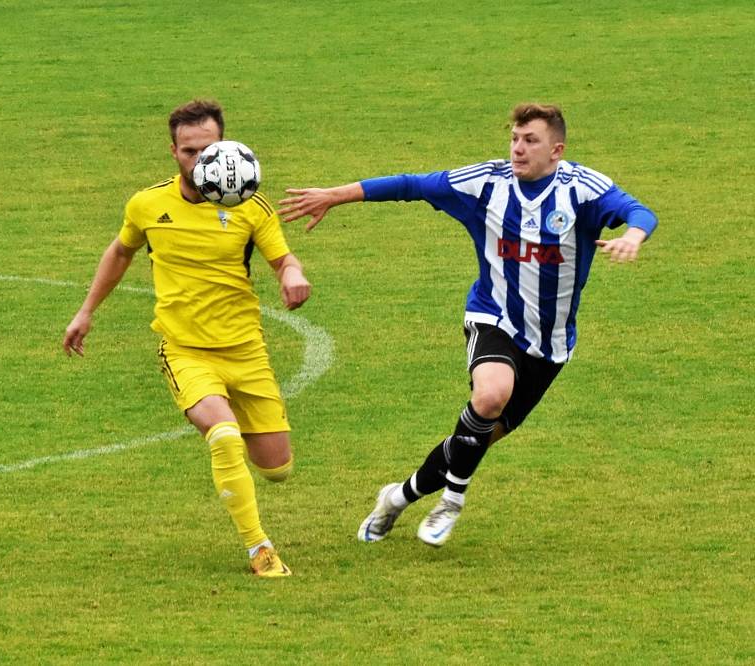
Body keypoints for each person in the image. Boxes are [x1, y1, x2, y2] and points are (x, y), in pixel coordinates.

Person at [278, 103, 657, 548]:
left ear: (557, 150)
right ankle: (453, 501)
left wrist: (633, 235)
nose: (518, 148)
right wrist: (333, 195)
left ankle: (396, 498)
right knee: (491, 394)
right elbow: (410, 185)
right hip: (491, 315)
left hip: (551, 344)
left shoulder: (582, 189)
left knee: (473, 439)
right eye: (514, 138)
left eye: (530, 140)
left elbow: (638, 211)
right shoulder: (485, 183)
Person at [63, 99, 311, 576]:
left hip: (246, 350)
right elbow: (119, 251)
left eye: (210, 150)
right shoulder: (147, 204)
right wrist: (86, 310)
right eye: (190, 152)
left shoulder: (248, 206)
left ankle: (231, 410)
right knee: (223, 436)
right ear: (173, 151)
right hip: (185, 349)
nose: (201, 162)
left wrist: (293, 276)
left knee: (277, 468)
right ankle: (258, 548)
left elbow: (285, 260)